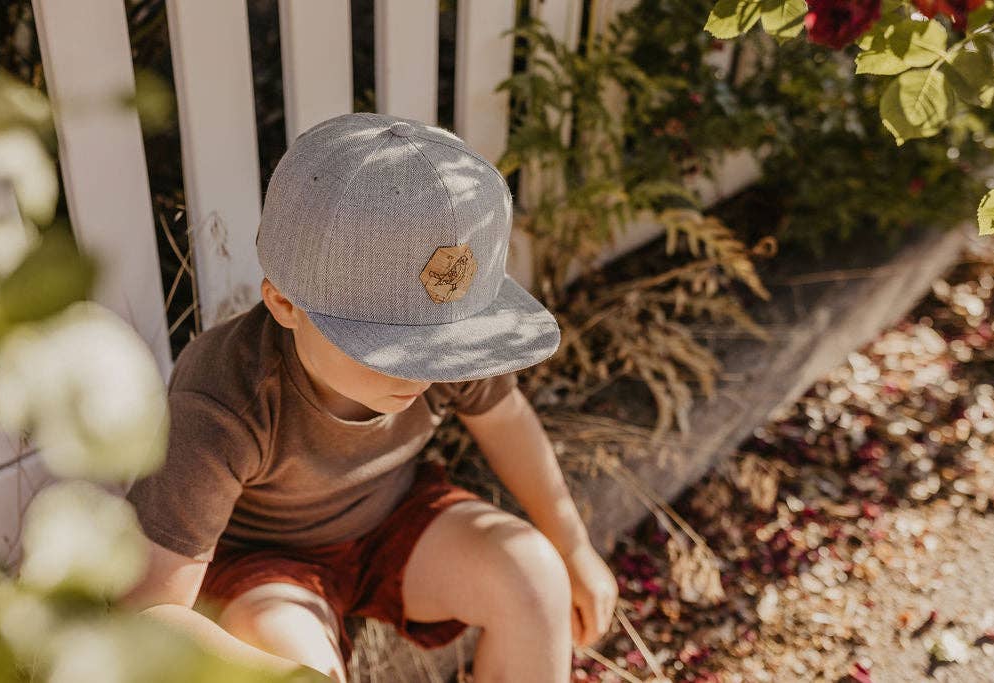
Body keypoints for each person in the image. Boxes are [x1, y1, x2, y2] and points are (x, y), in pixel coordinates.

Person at [117, 112, 618, 682]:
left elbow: (506, 421)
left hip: (393, 521)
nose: (424, 373)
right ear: (285, 304)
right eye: (391, 349)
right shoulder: (224, 396)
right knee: (290, 654)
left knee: (533, 575)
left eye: (443, 348)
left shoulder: (447, 348)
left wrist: (573, 548)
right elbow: (149, 606)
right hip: (265, 565)